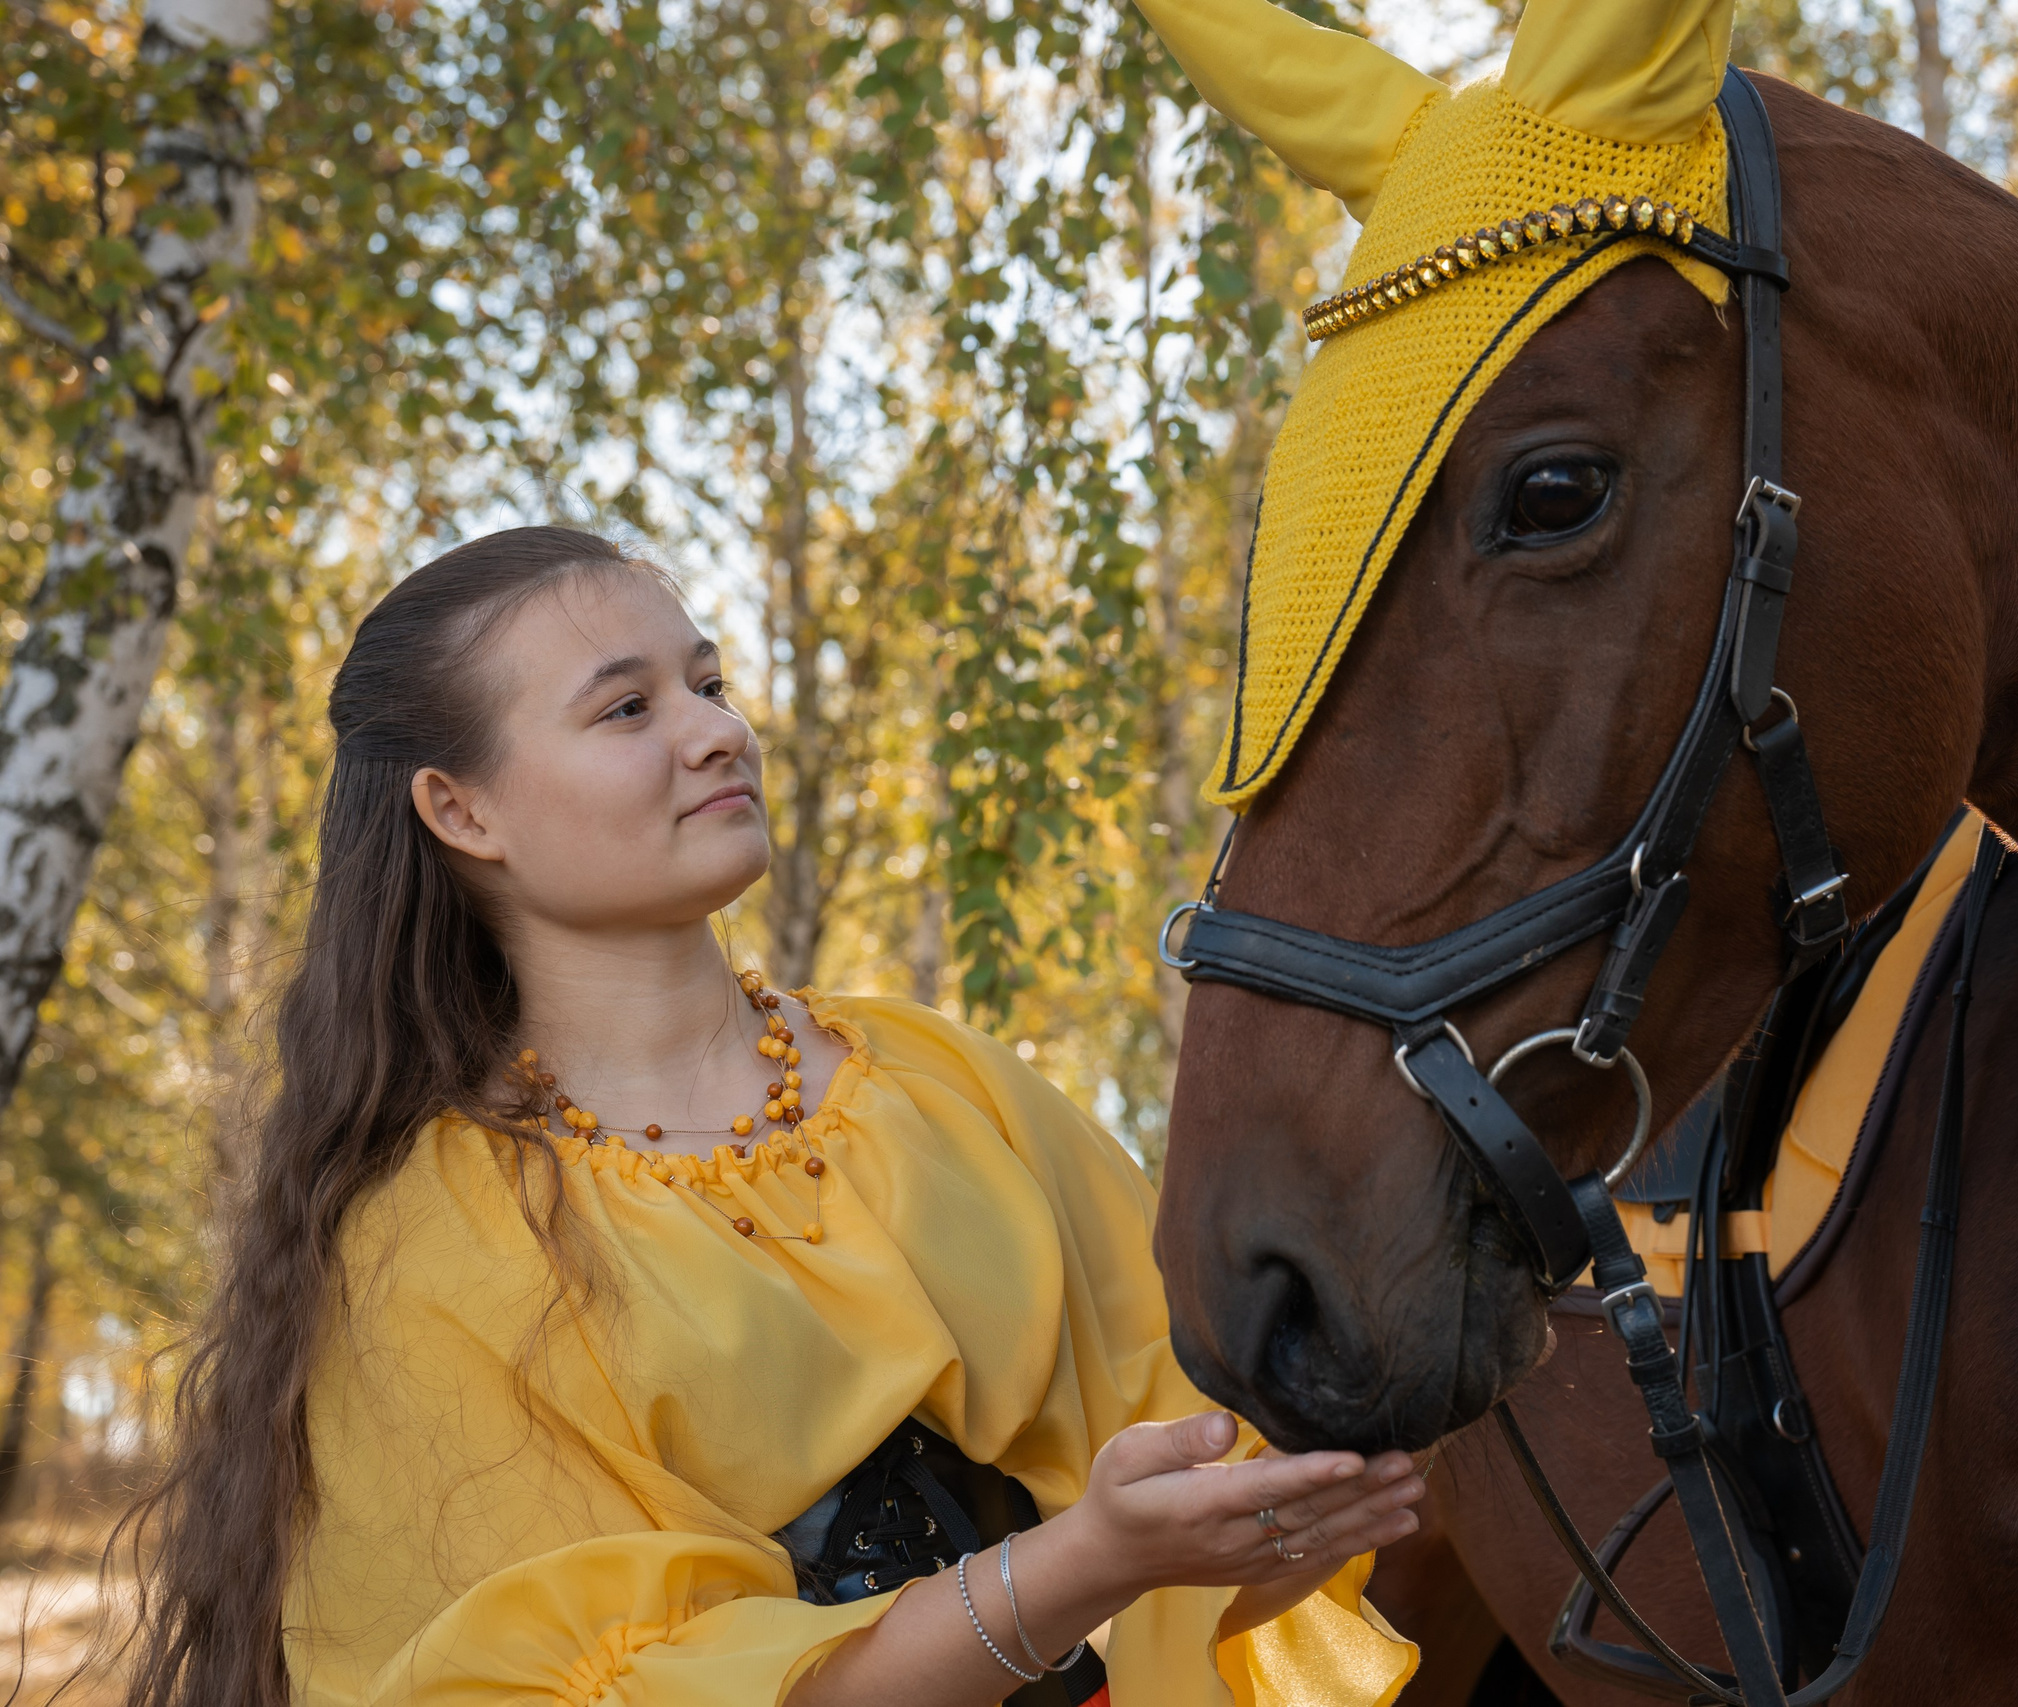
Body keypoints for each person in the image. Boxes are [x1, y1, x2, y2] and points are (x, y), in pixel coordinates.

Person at [122, 528, 1424, 1707]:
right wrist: (1080, 1565)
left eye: (709, 684)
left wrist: (1277, 1510)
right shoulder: (436, 1245)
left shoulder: (941, 1083)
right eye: (627, 707)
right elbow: (611, 1690)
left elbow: (1185, 1499)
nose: (711, 732)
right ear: (463, 812)